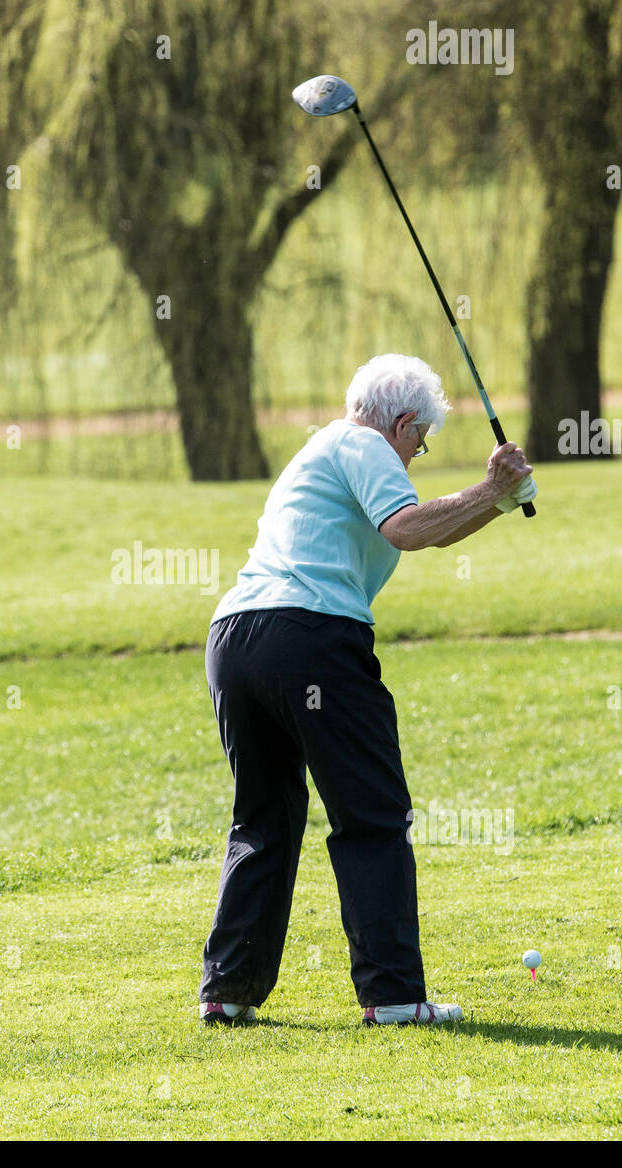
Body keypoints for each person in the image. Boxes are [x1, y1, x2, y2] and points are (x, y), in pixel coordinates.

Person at [199, 353, 536, 1027]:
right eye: (420, 442)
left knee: (265, 818)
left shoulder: (322, 449)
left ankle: (229, 992)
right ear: (403, 423)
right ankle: (394, 997)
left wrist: (496, 499)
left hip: (237, 643)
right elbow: (407, 529)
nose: (414, 456)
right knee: (372, 813)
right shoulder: (364, 442)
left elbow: (428, 532)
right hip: (311, 642)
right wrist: (489, 487)